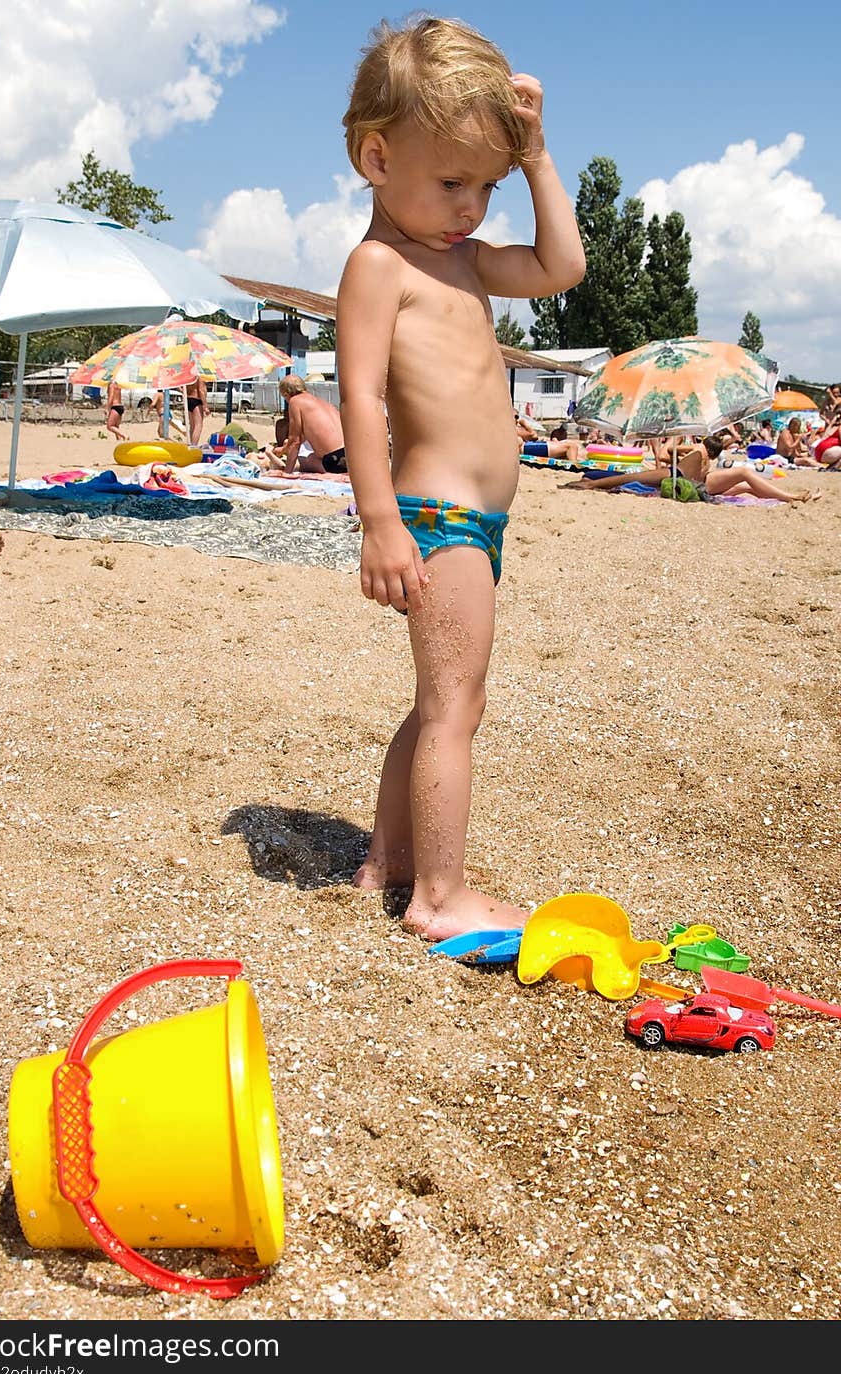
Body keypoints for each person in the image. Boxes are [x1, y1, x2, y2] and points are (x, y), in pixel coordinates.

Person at [335, 14, 585, 940]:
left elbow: (563, 266)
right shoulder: (378, 267)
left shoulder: (469, 262)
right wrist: (378, 523)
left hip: (474, 522)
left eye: (487, 184)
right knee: (455, 708)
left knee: (432, 701)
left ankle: (385, 861)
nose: (472, 206)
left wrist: (540, 159)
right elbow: (359, 398)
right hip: (435, 517)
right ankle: (438, 897)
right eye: (451, 182)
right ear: (375, 158)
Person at [567, 433, 818, 501]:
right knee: (743, 477)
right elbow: (666, 453)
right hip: (685, 480)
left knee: (745, 484)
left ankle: (787, 497)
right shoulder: (699, 451)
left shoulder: (702, 453)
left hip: (694, 484)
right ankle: (589, 483)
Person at [277, 374, 347, 474]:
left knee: (306, 459)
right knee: (312, 455)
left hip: (334, 461)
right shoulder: (322, 403)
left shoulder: (295, 401)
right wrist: (283, 449)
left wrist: (287, 473)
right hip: (349, 456)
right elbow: (304, 437)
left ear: (286, 394)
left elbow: (295, 442)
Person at [184, 377, 209, 446]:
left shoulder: (189, 377)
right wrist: (205, 406)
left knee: (192, 426)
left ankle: (190, 444)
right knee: (198, 425)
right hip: (196, 400)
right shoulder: (199, 377)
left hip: (188, 399)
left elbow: (181, 388)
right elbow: (201, 390)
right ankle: (193, 446)